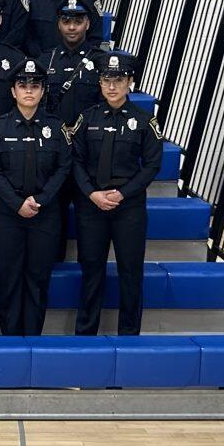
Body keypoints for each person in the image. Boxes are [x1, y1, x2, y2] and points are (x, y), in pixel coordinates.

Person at [71, 53, 163, 336]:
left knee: (131, 272)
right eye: (107, 80)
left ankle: (129, 335)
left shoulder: (144, 121)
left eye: (119, 80)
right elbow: (75, 160)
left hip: (129, 207)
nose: (112, 86)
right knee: (91, 271)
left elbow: (151, 165)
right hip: (92, 205)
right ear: (100, 83)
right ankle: (86, 334)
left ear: (130, 82)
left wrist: (122, 194)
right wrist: (92, 194)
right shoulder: (87, 118)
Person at [0, 59, 71, 335]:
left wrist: (41, 200)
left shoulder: (57, 128)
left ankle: (33, 342)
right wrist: (17, 203)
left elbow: (63, 167)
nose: (29, 91)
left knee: (37, 280)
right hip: (7, 215)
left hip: (44, 215)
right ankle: (10, 341)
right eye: (23, 86)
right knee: (8, 280)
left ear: (43, 91)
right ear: (13, 91)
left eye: (35, 85)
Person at [39, 0, 106, 128]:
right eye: (66, 21)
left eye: (78, 22)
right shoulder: (45, 60)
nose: (71, 27)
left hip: (88, 135)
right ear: (59, 24)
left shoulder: (100, 60)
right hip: (53, 135)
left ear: (87, 24)